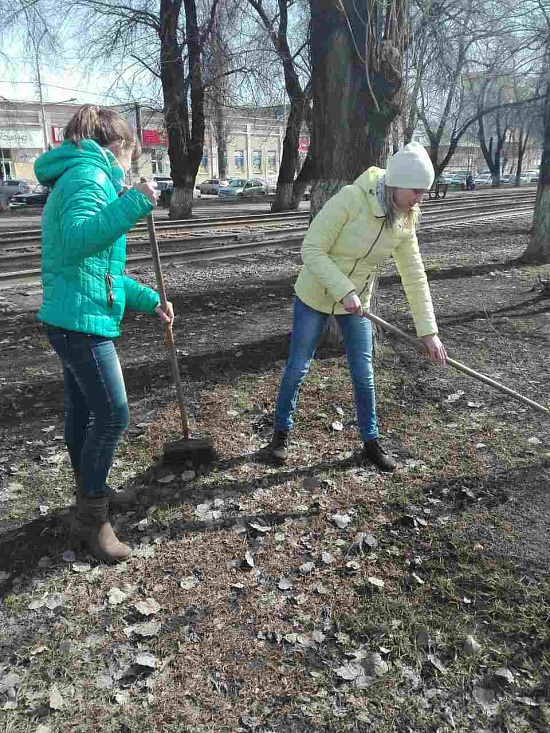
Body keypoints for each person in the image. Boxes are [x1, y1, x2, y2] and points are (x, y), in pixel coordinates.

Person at [35, 104, 174, 563]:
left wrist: (151, 299)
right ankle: (91, 521)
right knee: (113, 415)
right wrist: (134, 201)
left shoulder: (80, 176)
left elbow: (100, 271)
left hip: (75, 315)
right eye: (130, 155)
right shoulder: (87, 177)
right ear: (116, 147)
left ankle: (89, 493)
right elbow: (78, 240)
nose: (129, 166)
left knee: (83, 414)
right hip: (81, 323)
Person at [269, 141, 447, 471]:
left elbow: (414, 274)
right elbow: (312, 250)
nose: (420, 199)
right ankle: (281, 433)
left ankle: (370, 441)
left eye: (424, 192)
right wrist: (343, 289)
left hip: (357, 304)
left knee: (363, 373)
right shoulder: (351, 200)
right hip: (316, 296)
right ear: (395, 182)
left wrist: (429, 332)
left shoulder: (407, 219)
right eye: (416, 190)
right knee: (298, 367)